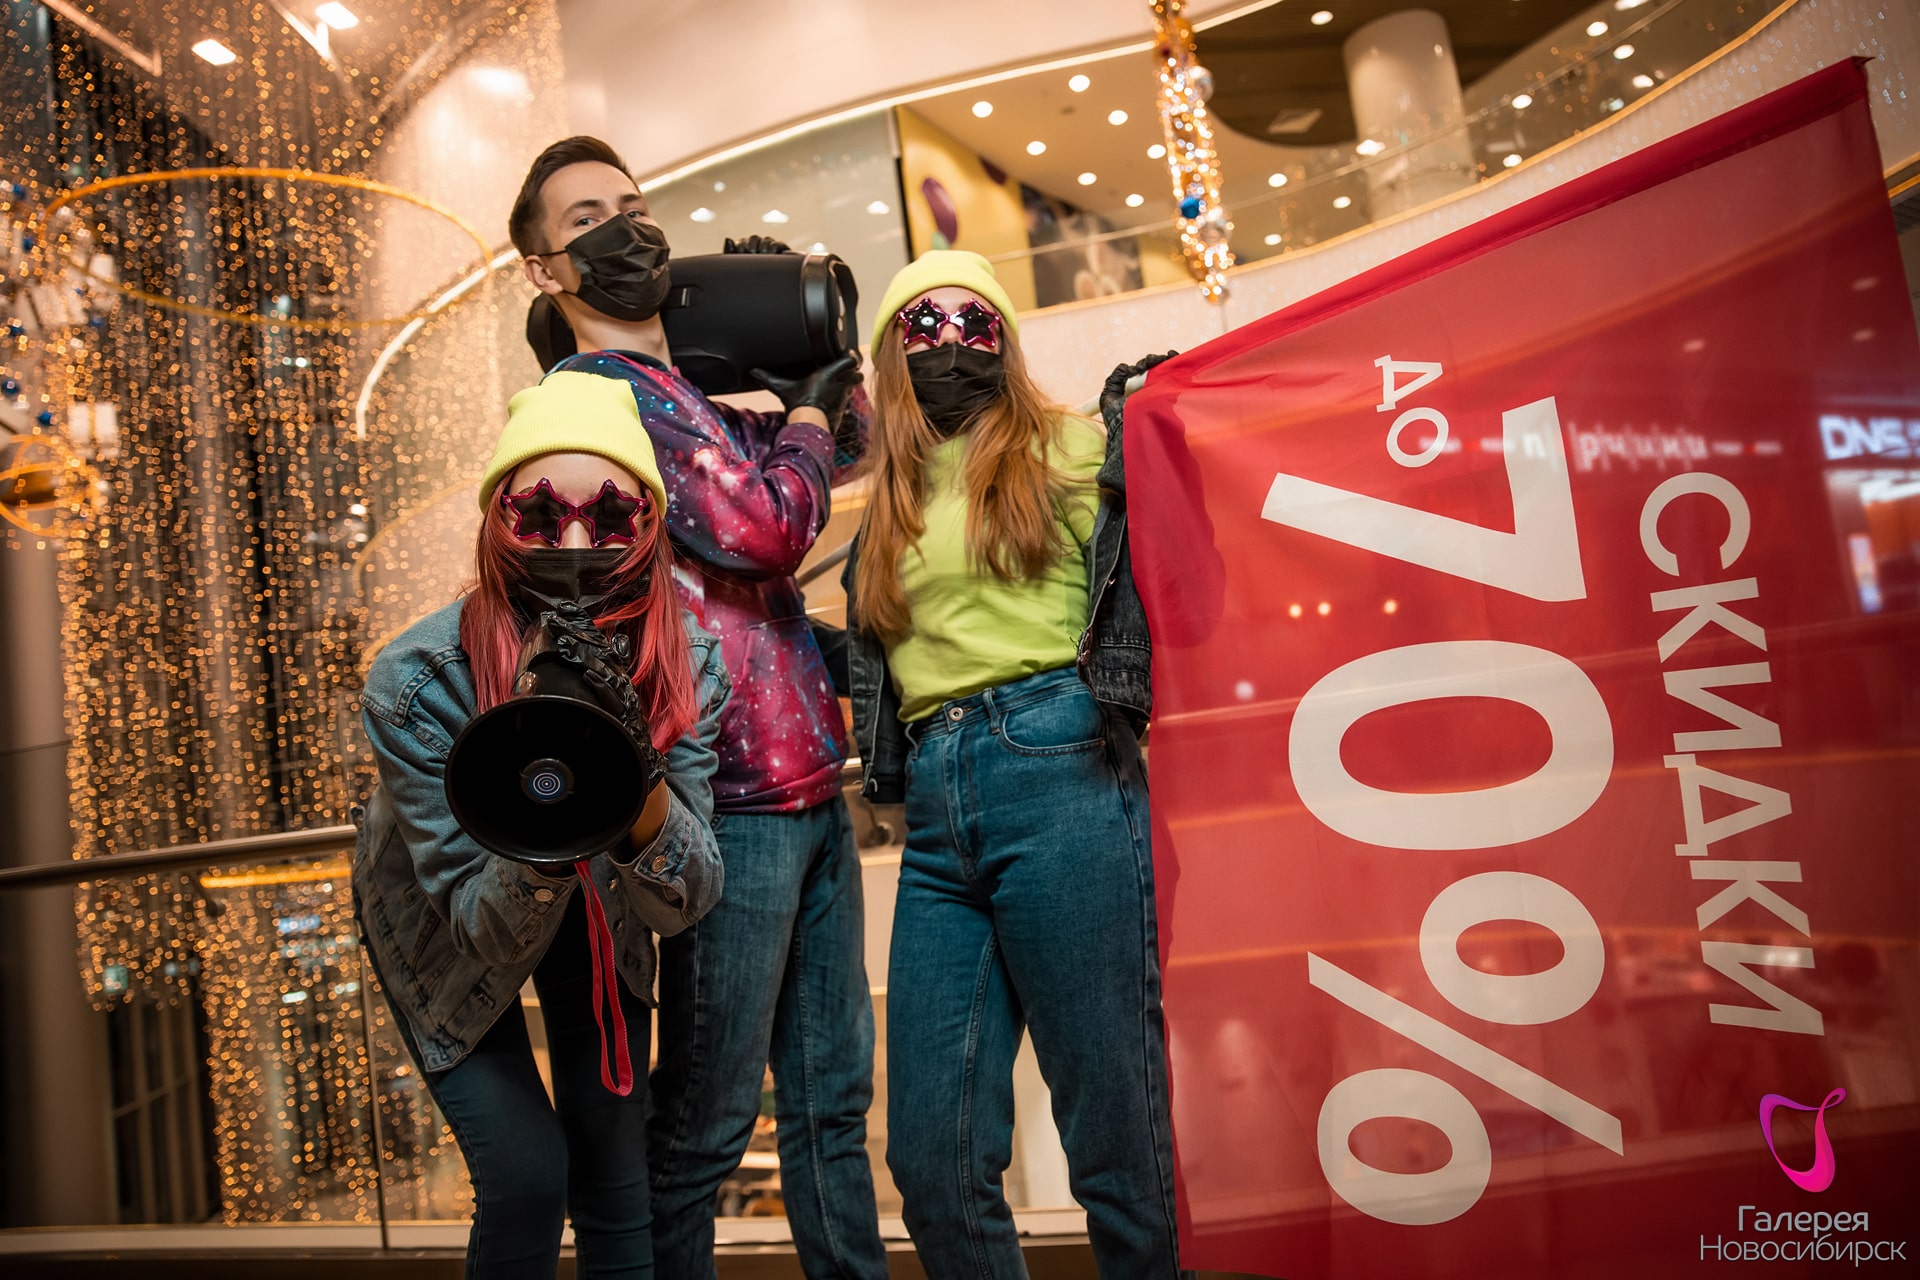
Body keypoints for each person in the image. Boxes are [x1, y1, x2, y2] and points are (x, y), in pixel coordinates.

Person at [508, 137, 887, 1279]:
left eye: (631, 205)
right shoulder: (599, 402)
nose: (626, 229)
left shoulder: (687, 398)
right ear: (543, 269)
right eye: (586, 218)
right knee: (705, 1130)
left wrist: (808, 361)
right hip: (730, 801)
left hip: (809, 787)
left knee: (830, 1110)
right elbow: (763, 529)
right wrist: (802, 419)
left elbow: (850, 443)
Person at [842, 250, 1185, 1278]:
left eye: (975, 322)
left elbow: (1156, 569)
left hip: (1060, 762)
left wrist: (1155, 429)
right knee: (932, 1160)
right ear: (890, 357)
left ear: (1007, 340)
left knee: (1115, 1136)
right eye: (924, 325)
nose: (951, 341)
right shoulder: (887, 499)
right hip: (936, 805)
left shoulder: (1066, 445)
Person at [353, 371, 730, 1278]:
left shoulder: (686, 658)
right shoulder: (414, 682)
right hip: (448, 926)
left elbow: (685, 900)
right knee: (526, 1177)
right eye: (541, 513)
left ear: (650, 520)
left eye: (610, 515)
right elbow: (479, 929)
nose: (574, 543)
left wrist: (633, 772)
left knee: (616, 1176)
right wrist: (541, 810)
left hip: (604, 914)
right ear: (497, 518)